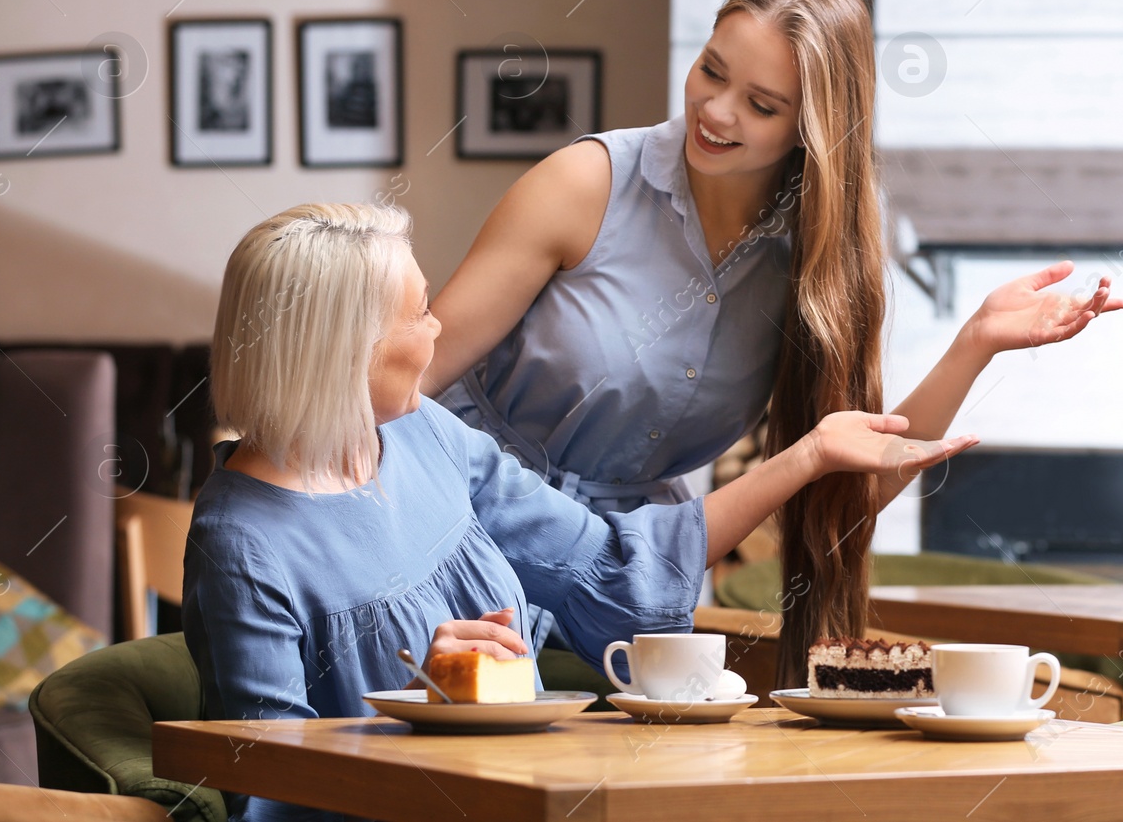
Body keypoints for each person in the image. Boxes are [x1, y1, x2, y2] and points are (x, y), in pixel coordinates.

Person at [423, 0, 1123, 685]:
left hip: (635, 591)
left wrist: (975, 341)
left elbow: (843, 489)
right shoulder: (586, 183)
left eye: (760, 104)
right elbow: (398, 389)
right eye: (710, 71)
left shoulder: (812, 263)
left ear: (811, 128)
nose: (717, 111)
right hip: (458, 545)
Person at [183, 203, 975, 822]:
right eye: (420, 313)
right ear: (342, 351)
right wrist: (410, 691)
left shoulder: (425, 435)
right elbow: (267, 789)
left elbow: (609, 567)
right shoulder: (241, 544)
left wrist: (808, 455)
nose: (437, 331)